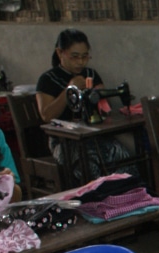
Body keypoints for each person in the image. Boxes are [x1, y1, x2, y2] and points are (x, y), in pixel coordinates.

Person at [36, 28, 134, 182]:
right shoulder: (47, 79)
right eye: (75, 57)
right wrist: (70, 89)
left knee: (122, 156)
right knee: (88, 163)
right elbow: (46, 115)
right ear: (60, 52)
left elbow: (104, 108)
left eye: (84, 56)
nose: (80, 62)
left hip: (94, 135)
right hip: (63, 141)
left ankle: (126, 198)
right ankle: (96, 200)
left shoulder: (91, 75)